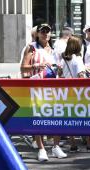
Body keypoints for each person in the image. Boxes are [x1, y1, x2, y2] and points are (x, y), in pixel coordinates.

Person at [21, 24, 65, 161]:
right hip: (37, 87)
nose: (45, 34)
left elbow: (60, 70)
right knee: (38, 117)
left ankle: (56, 146)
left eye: (48, 31)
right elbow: (23, 68)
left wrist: (59, 69)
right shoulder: (32, 47)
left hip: (52, 86)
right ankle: (41, 148)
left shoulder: (53, 50)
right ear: (38, 34)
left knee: (56, 115)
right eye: (43, 32)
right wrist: (36, 66)